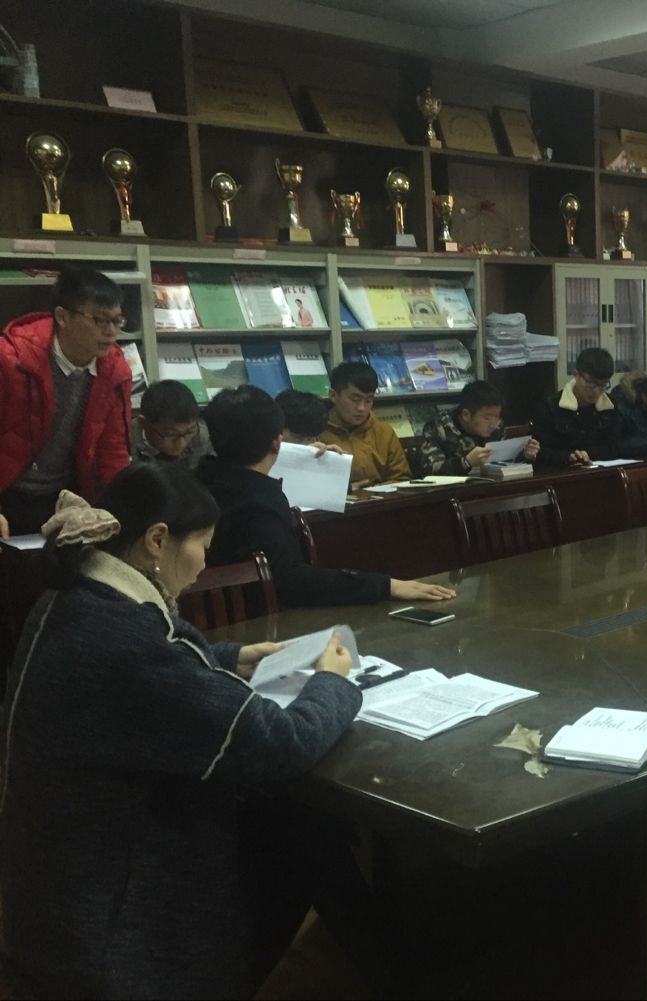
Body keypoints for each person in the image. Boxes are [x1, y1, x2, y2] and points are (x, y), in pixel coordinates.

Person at [0, 464, 362, 997]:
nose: (205, 563)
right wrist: (333, 681)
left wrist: (229, 657)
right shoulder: (126, 641)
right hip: (110, 929)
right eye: (203, 546)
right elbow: (282, 743)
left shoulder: (77, 595)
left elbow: (153, 676)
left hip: (55, 894)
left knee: (288, 822)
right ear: (157, 540)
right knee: (306, 828)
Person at [198, 385, 452, 608]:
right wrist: (385, 585)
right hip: (265, 621)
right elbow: (292, 582)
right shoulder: (259, 504)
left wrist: (307, 462)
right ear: (277, 441)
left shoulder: (200, 482)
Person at [0, 267, 133, 538]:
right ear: (62, 317)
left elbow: (113, 452)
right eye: (99, 320)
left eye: (117, 321)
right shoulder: (9, 360)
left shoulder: (115, 370)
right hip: (7, 491)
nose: (111, 332)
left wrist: (123, 513)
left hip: (66, 496)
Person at [418, 380, 540, 475]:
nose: (493, 424)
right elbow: (429, 470)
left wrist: (525, 455)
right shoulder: (439, 426)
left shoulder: (497, 427)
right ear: (466, 415)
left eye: (497, 416)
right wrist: (466, 462)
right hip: (450, 493)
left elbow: (502, 463)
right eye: (487, 418)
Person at [318, 361, 410, 487]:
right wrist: (347, 490)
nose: (361, 408)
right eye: (355, 399)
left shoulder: (384, 432)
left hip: (379, 498)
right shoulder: (313, 432)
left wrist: (371, 491)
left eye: (368, 400)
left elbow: (402, 479)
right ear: (333, 395)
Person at [530, 347, 625, 468]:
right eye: (591, 383)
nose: (596, 391)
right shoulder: (550, 407)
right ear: (576, 375)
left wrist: (588, 454)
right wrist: (568, 457)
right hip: (562, 472)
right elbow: (540, 452)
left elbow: (617, 446)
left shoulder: (610, 406)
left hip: (601, 471)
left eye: (603, 385)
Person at [131, 379, 213, 471]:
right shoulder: (125, 440)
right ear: (143, 423)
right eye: (171, 434)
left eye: (189, 432)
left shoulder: (201, 436)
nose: (181, 444)